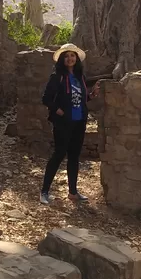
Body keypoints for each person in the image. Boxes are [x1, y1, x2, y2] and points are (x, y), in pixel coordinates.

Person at [40, 43, 100, 205]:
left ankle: (73, 192)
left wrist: (92, 95)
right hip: (63, 122)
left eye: (72, 55)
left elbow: (81, 99)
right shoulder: (57, 76)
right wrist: (58, 110)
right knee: (59, 154)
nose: (70, 59)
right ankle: (44, 191)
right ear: (62, 59)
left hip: (79, 121)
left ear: (76, 58)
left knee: (74, 156)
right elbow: (46, 98)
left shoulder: (80, 77)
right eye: (66, 56)